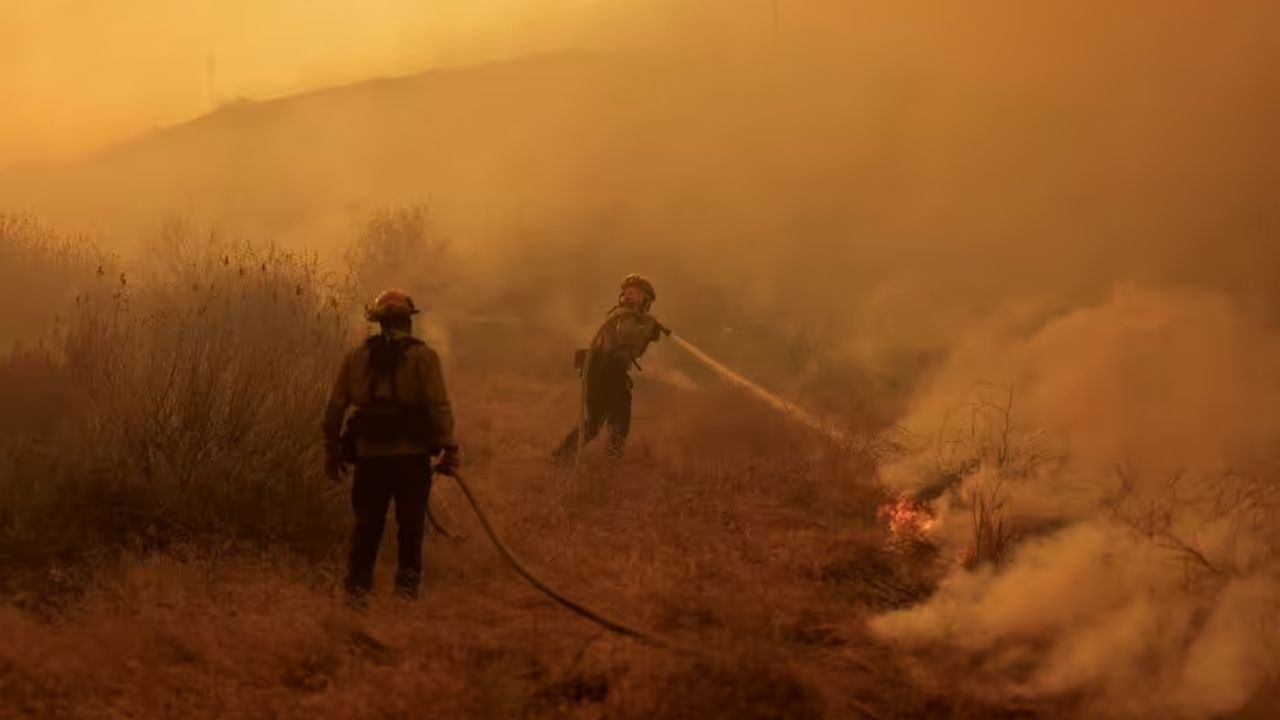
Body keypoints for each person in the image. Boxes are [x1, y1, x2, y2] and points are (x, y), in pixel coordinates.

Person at [323, 289, 460, 601]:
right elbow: (438, 407)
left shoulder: (356, 357)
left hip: (369, 457)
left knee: (367, 523)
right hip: (411, 457)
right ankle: (407, 587)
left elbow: (334, 409)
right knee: (410, 524)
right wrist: (449, 449)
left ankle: (358, 587)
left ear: (379, 323)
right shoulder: (424, 357)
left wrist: (331, 450)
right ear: (408, 321)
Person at [552, 274, 667, 464]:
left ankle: (563, 456)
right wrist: (648, 328)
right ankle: (608, 463)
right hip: (606, 370)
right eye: (630, 292)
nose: (631, 296)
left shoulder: (633, 317)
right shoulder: (623, 314)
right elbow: (626, 335)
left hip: (605, 371)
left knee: (596, 423)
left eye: (636, 293)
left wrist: (649, 330)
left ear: (645, 299)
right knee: (618, 420)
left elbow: (634, 343)